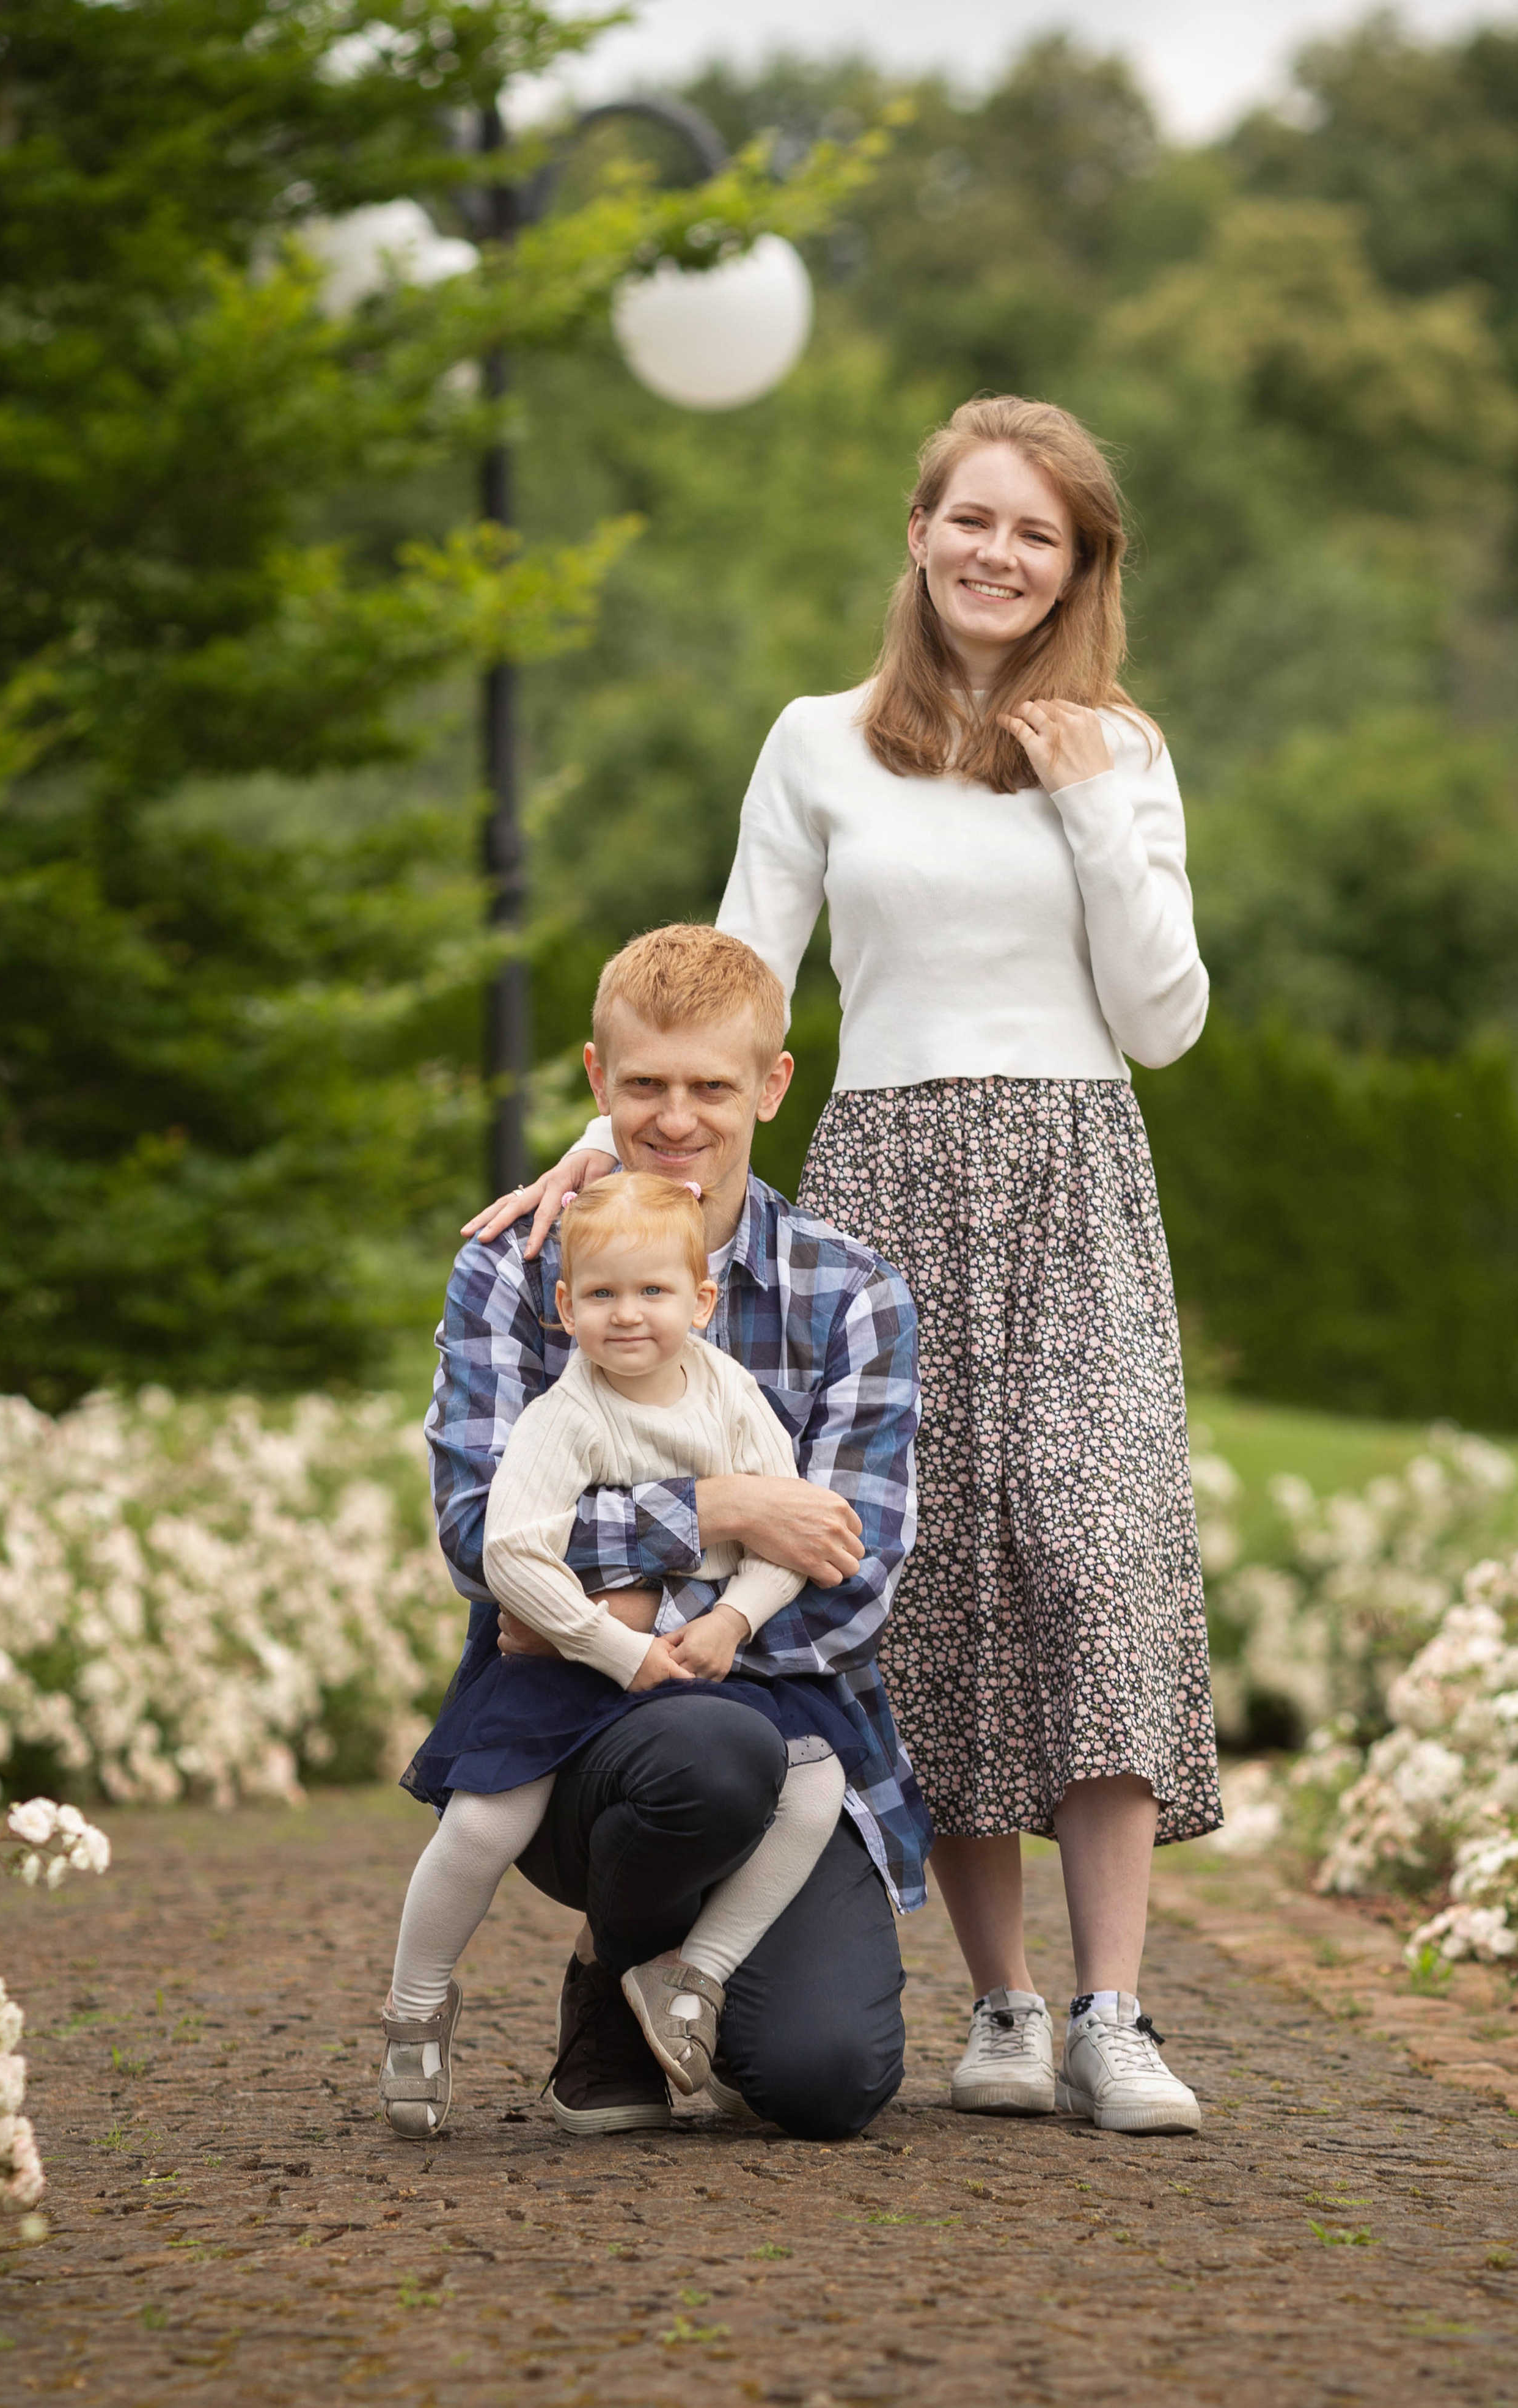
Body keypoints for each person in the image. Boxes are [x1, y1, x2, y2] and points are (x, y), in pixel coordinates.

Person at [492, 396, 1221, 2138]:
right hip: (889, 1174)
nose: (998, 554)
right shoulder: (820, 741)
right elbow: (735, 977)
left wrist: (1088, 800)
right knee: (931, 1566)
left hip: (1074, 1173)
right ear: (919, 531)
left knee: (1096, 1552)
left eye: (1038, 533)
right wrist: (609, 1143)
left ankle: (1116, 2007)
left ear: (1080, 564)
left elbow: (1166, 1018)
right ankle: (1006, 2002)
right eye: (973, 519)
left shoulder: (1121, 749)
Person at [429, 922, 929, 2145]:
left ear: (771, 1084)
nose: (675, 1117)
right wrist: (724, 1511)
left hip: (793, 1721)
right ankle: (612, 1964)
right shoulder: (516, 1270)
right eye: (645, 1084)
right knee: (704, 1752)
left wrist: (643, 1597)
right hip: (577, 1725)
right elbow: (475, 1536)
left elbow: (853, 1574)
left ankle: (677, 1963)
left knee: (823, 2079)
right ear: (596, 1078)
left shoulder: (850, 1291)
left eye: (711, 1086)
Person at [379, 1173, 851, 2134]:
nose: (627, 1315)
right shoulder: (568, 1415)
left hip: (694, 1657)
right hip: (572, 1661)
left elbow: (792, 1537)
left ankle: (694, 1976)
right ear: (565, 1306)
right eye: (600, 1294)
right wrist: (611, 1645)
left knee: (816, 1786)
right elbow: (512, 1555)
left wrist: (733, 1621)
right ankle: (415, 2007)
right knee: (484, 1823)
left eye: (653, 1292)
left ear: (701, 1301)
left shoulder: (729, 1394)